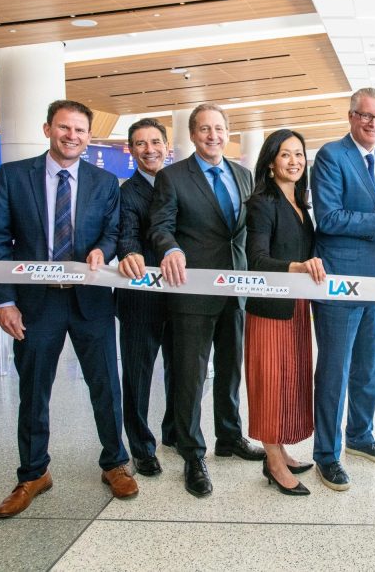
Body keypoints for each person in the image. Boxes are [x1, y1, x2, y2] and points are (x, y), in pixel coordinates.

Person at [0, 100, 138, 519]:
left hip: (90, 301)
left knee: (106, 384)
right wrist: (4, 299)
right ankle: (34, 472)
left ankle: (115, 463)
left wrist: (101, 250)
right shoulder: (15, 177)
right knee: (34, 389)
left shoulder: (105, 182)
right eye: (64, 128)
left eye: (81, 130)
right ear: (47, 128)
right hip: (36, 303)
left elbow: (112, 231)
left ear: (89, 136)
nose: (72, 136)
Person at [150, 103, 264, 498]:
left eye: (219, 129)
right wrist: (170, 249)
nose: (212, 136)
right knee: (191, 376)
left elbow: (250, 230)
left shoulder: (244, 175)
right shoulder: (172, 177)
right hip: (194, 291)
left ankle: (229, 436)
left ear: (228, 133)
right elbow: (161, 225)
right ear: (193, 135)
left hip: (237, 289)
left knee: (231, 370)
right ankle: (192, 453)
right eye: (204, 129)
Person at [310, 87, 375, 491]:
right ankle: (327, 454)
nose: (374, 124)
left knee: (369, 366)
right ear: (351, 117)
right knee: (335, 369)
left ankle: (361, 436)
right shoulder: (331, 156)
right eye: (366, 116)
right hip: (340, 280)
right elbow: (330, 217)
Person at [244, 129, 325, 496]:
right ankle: (272, 460)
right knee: (270, 382)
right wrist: (299, 266)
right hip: (270, 310)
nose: (294, 161)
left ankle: (281, 449)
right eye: (285, 155)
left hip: (296, 308)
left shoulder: (300, 202)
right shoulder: (262, 202)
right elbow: (257, 258)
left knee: (290, 379)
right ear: (271, 162)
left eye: (299, 154)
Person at [115, 118, 175, 477]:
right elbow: (126, 234)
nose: (149, 149)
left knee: (181, 373)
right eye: (140, 143)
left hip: (182, 297)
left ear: (167, 146)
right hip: (140, 299)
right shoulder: (126, 192)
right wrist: (128, 253)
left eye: (155, 142)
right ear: (131, 150)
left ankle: (175, 433)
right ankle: (141, 447)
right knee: (137, 375)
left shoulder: (182, 183)